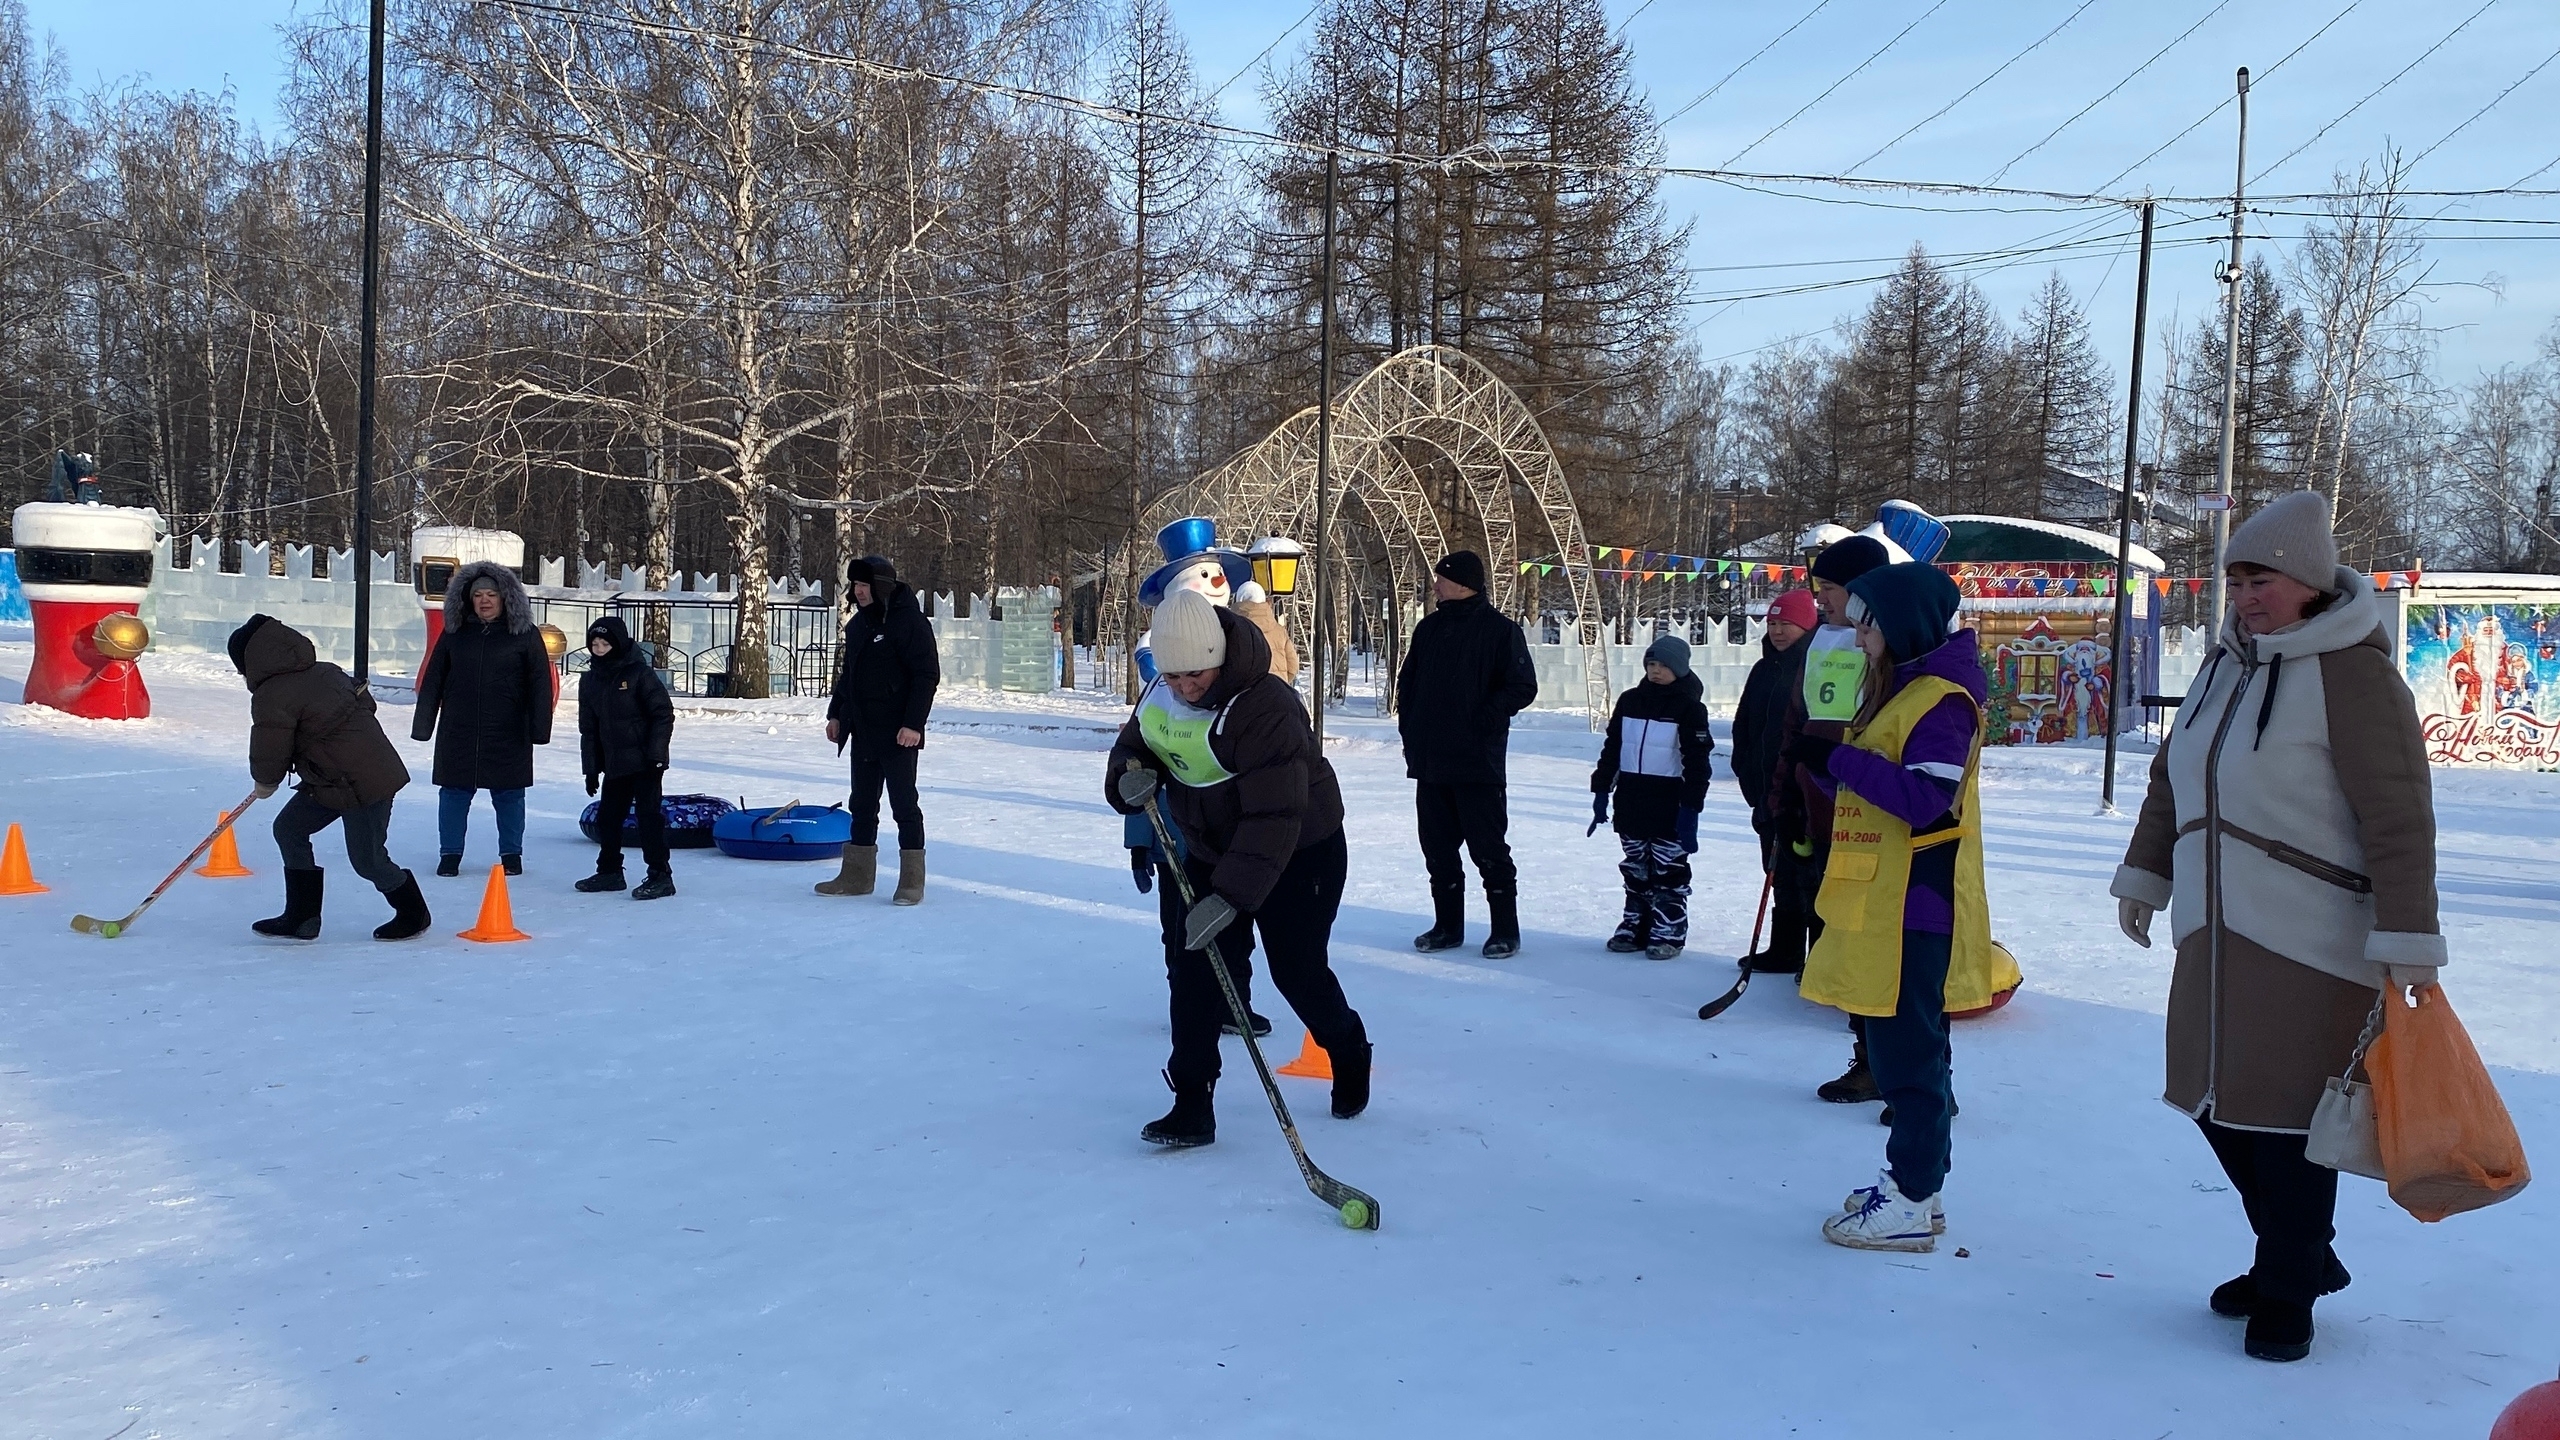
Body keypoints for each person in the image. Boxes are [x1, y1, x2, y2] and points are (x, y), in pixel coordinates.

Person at [2109, 491, 2443, 1364]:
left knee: (2290, 1121)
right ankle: (2299, 1253)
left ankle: (2286, 1285)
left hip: (2315, 933)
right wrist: (2146, 873)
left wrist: (2409, 935)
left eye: (2261, 581)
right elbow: (2170, 782)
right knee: (2215, 1103)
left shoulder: (2355, 675)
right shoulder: (2225, 667)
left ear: (2306, 584)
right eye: (2235, 581)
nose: (2244, 597)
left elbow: (2400, 815)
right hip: (2213, 926)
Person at [1792, 561, 2008, 1254]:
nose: (1857, 639)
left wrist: (1836, 761)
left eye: (1867, 625)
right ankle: (1921, 1186)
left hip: (1917, 906)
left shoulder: (1940, 700)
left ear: (1901, 624)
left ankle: (1912, 1198)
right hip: (1884, 901)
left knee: (1909, 1057)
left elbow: (1923, 801)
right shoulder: (1903, 689)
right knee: (1895, 1051)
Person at [1105, 587, 1371, 1146]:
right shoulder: (1163, 692)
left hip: (1300, 849)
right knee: (1193, 971)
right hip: (1210, 847)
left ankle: (1348, 1048)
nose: (1184, 687)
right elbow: (1134, 746)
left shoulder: (1267, 705)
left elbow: (1275, 817)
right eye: (1174, 676)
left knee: (1296, 971)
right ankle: (1192, 1103)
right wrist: (1128, 776)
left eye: (1195, 674)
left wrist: (1227, 899)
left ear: (1218, 656)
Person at [230, 613, 430, 941]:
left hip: (365, 782)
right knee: (289, 828)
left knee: (368, 860)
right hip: (332, 779)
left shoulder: (272, 695)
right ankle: (302, 917)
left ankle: (413, 912)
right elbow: (365, 703)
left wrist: (266, 779)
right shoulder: (325, 670)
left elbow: (271, 747)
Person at [1779, 535, 1891, 1098]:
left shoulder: (1893, 646)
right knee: (1835, 926)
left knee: (1874, 941)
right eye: (1818, 587)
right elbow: (1798, 723)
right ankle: (1864, 1050)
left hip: (1873, 817)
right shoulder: (1822, 641)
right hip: (1819, 804)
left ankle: (1896, 1066)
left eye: (1829, 588)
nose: (1819, 598)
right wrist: (1785, 798)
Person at [1396, 550, 1540, 958]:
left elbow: (1522, 687)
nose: (1434, 584)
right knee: (1438, 850)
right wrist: (1411, 729)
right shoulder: (1429, 629)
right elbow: (1409, 684)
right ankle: (1447, 926)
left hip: (1478, 763)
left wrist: (1485, 715)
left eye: (1441, 578)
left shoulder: (1500, 631)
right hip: (1431, 762)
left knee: (1489, 850)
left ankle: (1504, 931)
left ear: (1463, 582)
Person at [412, 562, 555, 878]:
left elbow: (539, 684)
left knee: (510, 795)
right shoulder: (454, 634)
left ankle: (511, 855)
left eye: (492, 594)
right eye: (479, 595)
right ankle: (450, 854)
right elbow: (434, 679)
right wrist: (423, 725)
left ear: (505, 598)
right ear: (468, 598)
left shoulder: (525, 635)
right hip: (458, 731)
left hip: (508, 731)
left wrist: (539, 727)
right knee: (453, 794)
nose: (485, 600)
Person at [818, 555, 941, 905]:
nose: (858, 593)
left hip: (899, 732)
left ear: (881, 587)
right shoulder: (859, 626)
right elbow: (849, 678)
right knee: (862, 803)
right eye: (854, 586)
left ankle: (911, 881)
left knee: (904, 804)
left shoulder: (910, 623)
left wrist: (913, 724)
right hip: (864, 729)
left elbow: (926, 676)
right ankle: (856, 875)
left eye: (864, 586)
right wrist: (837, 714)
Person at [1590, 634, 1715, 959]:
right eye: (1651, 664)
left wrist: (1690, 808)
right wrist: (1602, 788)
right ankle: (1636, 923)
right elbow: (1613, 748)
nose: (1656, 671)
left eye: (1663, 665)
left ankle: (1668, 928)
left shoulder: (1689, 708)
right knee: (1636, 867)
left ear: (1680, 668)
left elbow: (1698, 762)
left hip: (1668, 802)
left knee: (1668, 869)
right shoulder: (1631, 701)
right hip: (1631, 800)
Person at [1731, 587, 1819, 973]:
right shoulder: (1764, 669)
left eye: (1788, 624)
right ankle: (1785, 949)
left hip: (1804, 793)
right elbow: (1744, 725)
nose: (1779, 631)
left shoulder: (1818, 665)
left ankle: (1819, 958)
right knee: (1777, 870)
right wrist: (1747, 773)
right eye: (1773, 623)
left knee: (1811, 877)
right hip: (1766, 790)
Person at [575, 616, 677, 901]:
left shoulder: (639, 674)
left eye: (605, 643)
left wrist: (657, 755)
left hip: (645, 762)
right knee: (608, 818)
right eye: (594, 643)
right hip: (615, 764)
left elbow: (662, 714)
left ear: (618, 644)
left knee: (648, 818)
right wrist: (591, 769)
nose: (599, 649)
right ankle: (609, 871)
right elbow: (589, 729)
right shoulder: (590, 680)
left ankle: (660, 875)